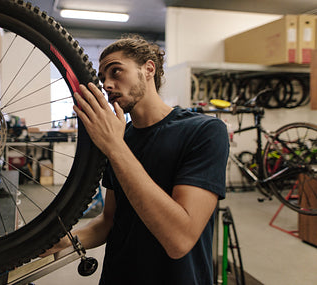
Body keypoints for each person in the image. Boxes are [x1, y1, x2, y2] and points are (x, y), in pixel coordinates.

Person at [42, 34, 229, 284]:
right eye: (103, 78)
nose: (107, 85)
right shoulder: (121, 137)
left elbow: (180, 239)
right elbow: (109, 221)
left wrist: (114, 147)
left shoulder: (204, 131)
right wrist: (66, 240)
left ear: (148, 69)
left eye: (116, 71)